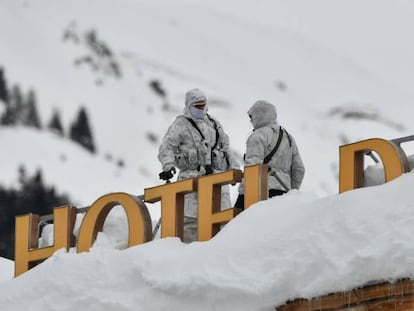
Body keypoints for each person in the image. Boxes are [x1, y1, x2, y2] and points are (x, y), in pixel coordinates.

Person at [158, 88, 239, 242]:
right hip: (191, 181)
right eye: (197, 105)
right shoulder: (180, 125)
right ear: (189, 105)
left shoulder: (215, 124)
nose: (201, 108)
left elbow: (226, 149)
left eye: (203, 105)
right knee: (190, 224)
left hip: (217, 181)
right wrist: (168, 166)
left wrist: (234, 170)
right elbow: (166, 147)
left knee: (223, 223)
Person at [235, 100, 305, 209]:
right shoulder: (289, 138)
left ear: (260, 115)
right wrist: (291, 191)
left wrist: (245, 194)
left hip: (260, 192)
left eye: (252, 116)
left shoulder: (258, 135)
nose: (251, 120)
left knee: (237, 223)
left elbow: (253, 168)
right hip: (283, 191)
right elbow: (299, 169)